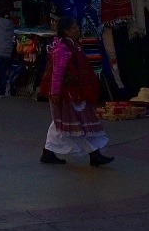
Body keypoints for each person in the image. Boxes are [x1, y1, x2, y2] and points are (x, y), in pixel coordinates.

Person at [40, 16, 113, 167]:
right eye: (73, 28)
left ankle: (48, 153)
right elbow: (58, 73)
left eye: (76, 27)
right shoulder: (63, 48)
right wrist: (54, 93)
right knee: (78, 125)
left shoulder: (71, 46)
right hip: (69, 94)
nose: (77, 30)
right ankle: (94, 154)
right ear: (66, 31)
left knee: (60, 124)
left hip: (73, 92)